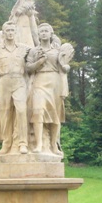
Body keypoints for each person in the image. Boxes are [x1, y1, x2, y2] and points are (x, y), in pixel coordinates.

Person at [26, 23, 72, 155]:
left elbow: (65, 67)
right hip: (39, 80)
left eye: (46, 31)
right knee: (38, 110)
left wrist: (65, 66)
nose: (44, 33)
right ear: (38, 35)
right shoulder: (34, 51)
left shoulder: (57, 51)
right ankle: (39, 144)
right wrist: (39, 62)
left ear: (51, 34)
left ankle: (53, 145)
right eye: (41, 31)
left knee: (56, 115)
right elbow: (28, 68)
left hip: (55, 83)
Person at [0, 21, 29, 155]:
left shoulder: (24, 49)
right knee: (5, 113)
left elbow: (35, 60)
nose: (10, 33)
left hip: (19, 81)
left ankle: (22, 143)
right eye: (8, 30)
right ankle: (6, 142)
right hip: (3, 81)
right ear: (3, 33)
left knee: (21, 111)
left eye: (12, 30)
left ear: (16, 33)